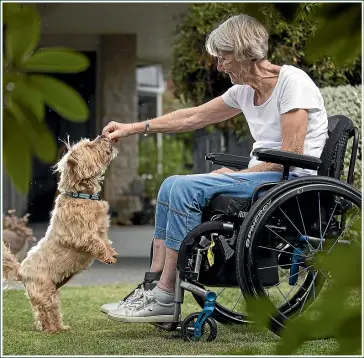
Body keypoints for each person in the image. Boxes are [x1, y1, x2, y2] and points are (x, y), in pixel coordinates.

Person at [101, 13, 328, 323]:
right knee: (171, 185)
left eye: (224, 57)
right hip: (265, 176)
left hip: (289, 182)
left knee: (184, 187)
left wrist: (240, 174)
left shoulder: (293, 83)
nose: (220, 65)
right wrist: (130, 128)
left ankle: (166, 296)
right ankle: (152, 288)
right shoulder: (245, 91)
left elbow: (291, 153)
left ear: (245, 52)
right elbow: (191, 117)